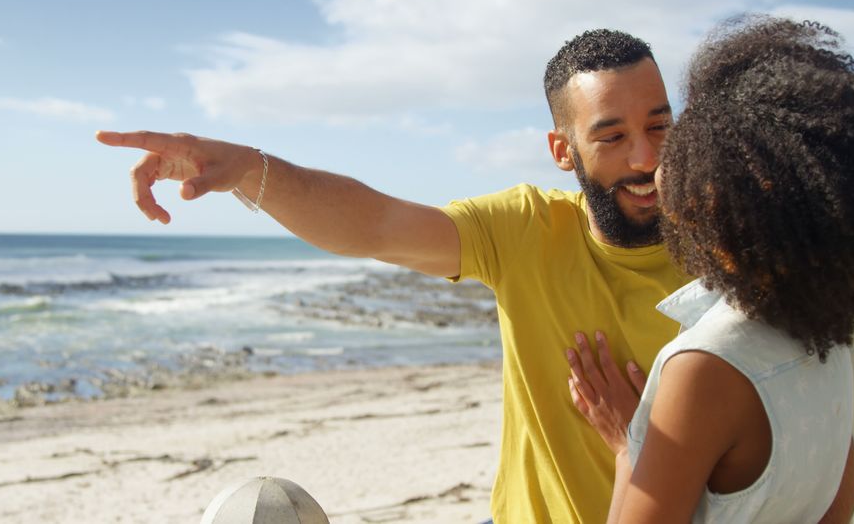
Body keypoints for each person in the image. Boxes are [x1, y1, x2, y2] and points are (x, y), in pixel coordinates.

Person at [97, 29, 687, 522]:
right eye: (611, 136)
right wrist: (249, 169)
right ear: (563, 150)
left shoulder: (730, 257)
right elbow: (375, 224)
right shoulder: (529, 228)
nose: (645, 159)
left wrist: (639, 445)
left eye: (659, 126)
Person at [565, 15, 854, 522]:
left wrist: (629, 449)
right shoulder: (828, 328)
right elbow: (836, 508)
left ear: (717, 201)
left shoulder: (704, 367)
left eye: (685, 141)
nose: (656, 161)